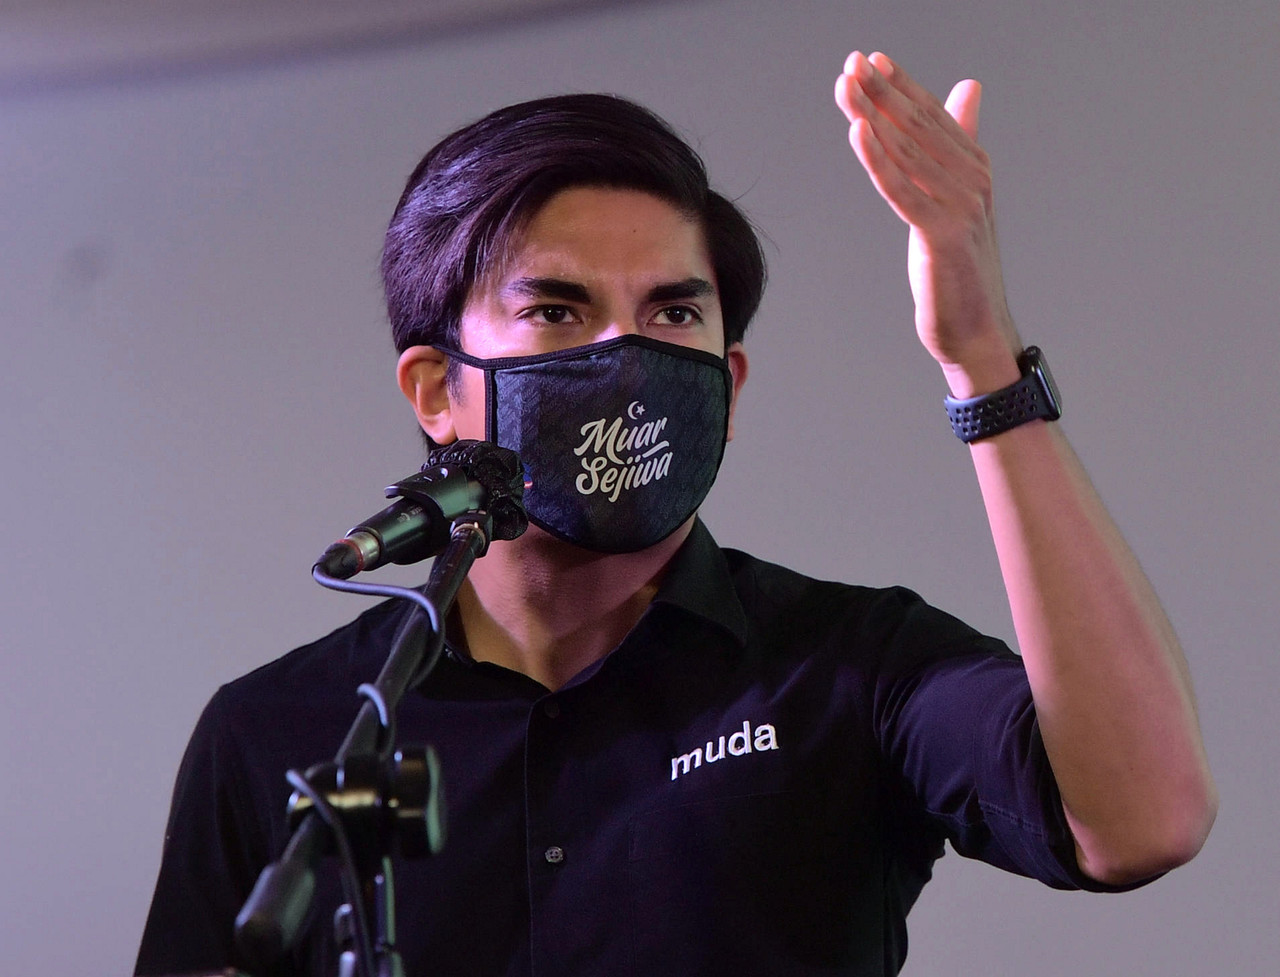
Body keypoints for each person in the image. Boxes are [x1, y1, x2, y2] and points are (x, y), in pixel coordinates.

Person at [136, 51, 1216, 977]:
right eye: (558, 309)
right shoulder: (285, 731)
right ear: (434, 388)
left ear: (728, 383)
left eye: (671, 311)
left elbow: (1142, 821)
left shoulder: (850, 665)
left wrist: (979, 356)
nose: (624, 351)